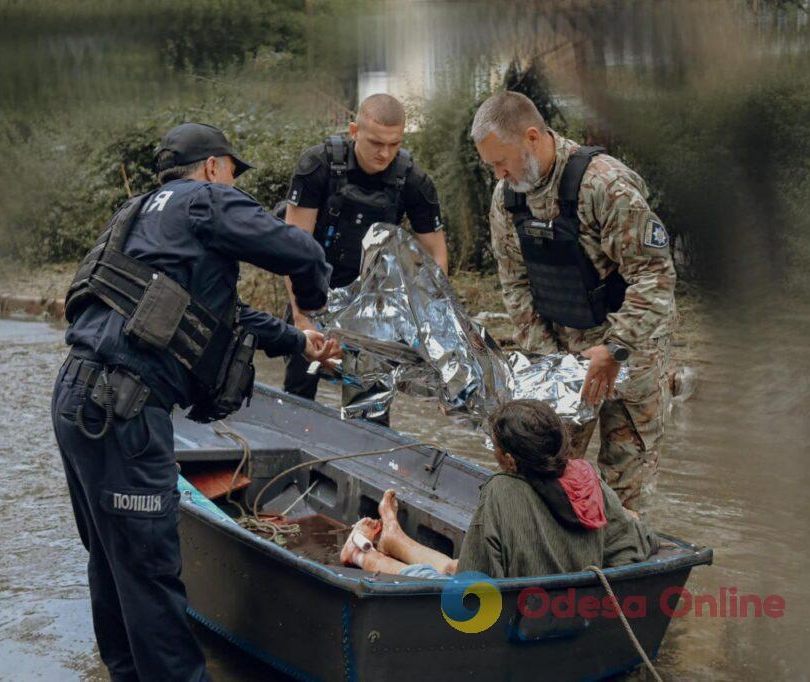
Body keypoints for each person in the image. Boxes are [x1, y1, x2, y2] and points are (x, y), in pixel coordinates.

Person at [52, 123, 337, 681]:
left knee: (114, 564)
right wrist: (312, 303)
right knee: (151, 570)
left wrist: (297, 341)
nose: (234, 184)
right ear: (212, 167)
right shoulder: (207, 198)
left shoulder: (138, 217)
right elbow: (297, 249)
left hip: (77, 399)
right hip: (125, 409)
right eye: (233, 171)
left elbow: (210, 317)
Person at [470, 91, 677, 513]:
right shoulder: (508, 199)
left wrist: (615, 348)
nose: (498, 174)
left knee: (625, 481)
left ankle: (615, 569)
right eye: (490, 165)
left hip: (631, 349)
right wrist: (549, 362)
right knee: (548, 469)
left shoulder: (604, 185)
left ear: (531, 137)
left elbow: (654, 275)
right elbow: (516, 285)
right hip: (562, 348)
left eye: (501, 161)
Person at [340, 400, 658, 580]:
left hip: (513, 610)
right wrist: (623, 514)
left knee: (445, 575)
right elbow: (640, 545)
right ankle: (396, 539)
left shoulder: (501, 491)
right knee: (453, 567)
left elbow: (470, 579)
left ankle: (363, 554)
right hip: (567, 606)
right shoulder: (588, 480)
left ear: (508, 458)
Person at [282, 93, 447, 424]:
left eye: (394, 144)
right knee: (297, 396)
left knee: (371, 410)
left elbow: (436, 256)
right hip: (313, 288)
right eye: (375, 142)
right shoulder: (317, 167)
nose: (384, 153)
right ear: (354, 130)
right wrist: (302, 320)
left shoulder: (414, 182)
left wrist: (418, 321)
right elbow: (292, 248)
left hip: (374, 301)